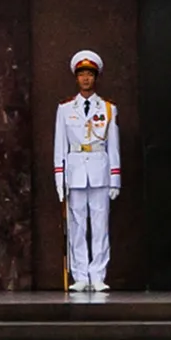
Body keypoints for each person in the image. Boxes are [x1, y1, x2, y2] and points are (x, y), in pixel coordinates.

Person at [53, 51, 119, 298]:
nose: (85, 79)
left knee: (100, 225)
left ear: (95, 77)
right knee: (77, 225)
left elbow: (114, 145)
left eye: (89, 74)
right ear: (76, 78)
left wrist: (115, 178)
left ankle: (98, 275)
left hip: (100, 171)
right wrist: (60, 179)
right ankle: (80, 275)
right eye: (81, 74)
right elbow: (60, 146)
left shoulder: (108, 108)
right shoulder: (65, 109)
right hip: (75, 171)